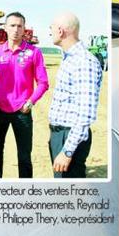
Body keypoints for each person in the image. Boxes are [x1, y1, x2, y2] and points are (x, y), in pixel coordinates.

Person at [0, 12, 49, 178]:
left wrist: (31, 102)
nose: (16, 29)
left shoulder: (34, 52)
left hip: (22, 111)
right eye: (12, 25)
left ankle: (26, 191)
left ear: (24, 29)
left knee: (24, 156)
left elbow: (43, 82)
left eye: (19, 26)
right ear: (5, 28)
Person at [48, 12, 102, 178]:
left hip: (70, 137)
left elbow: (85, 114)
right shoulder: (70, 58)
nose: (49, 32)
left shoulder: (83, 62)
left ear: (61, 31)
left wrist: (67, 151)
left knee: (69, 193)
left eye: (51, 28)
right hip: (61, 135)